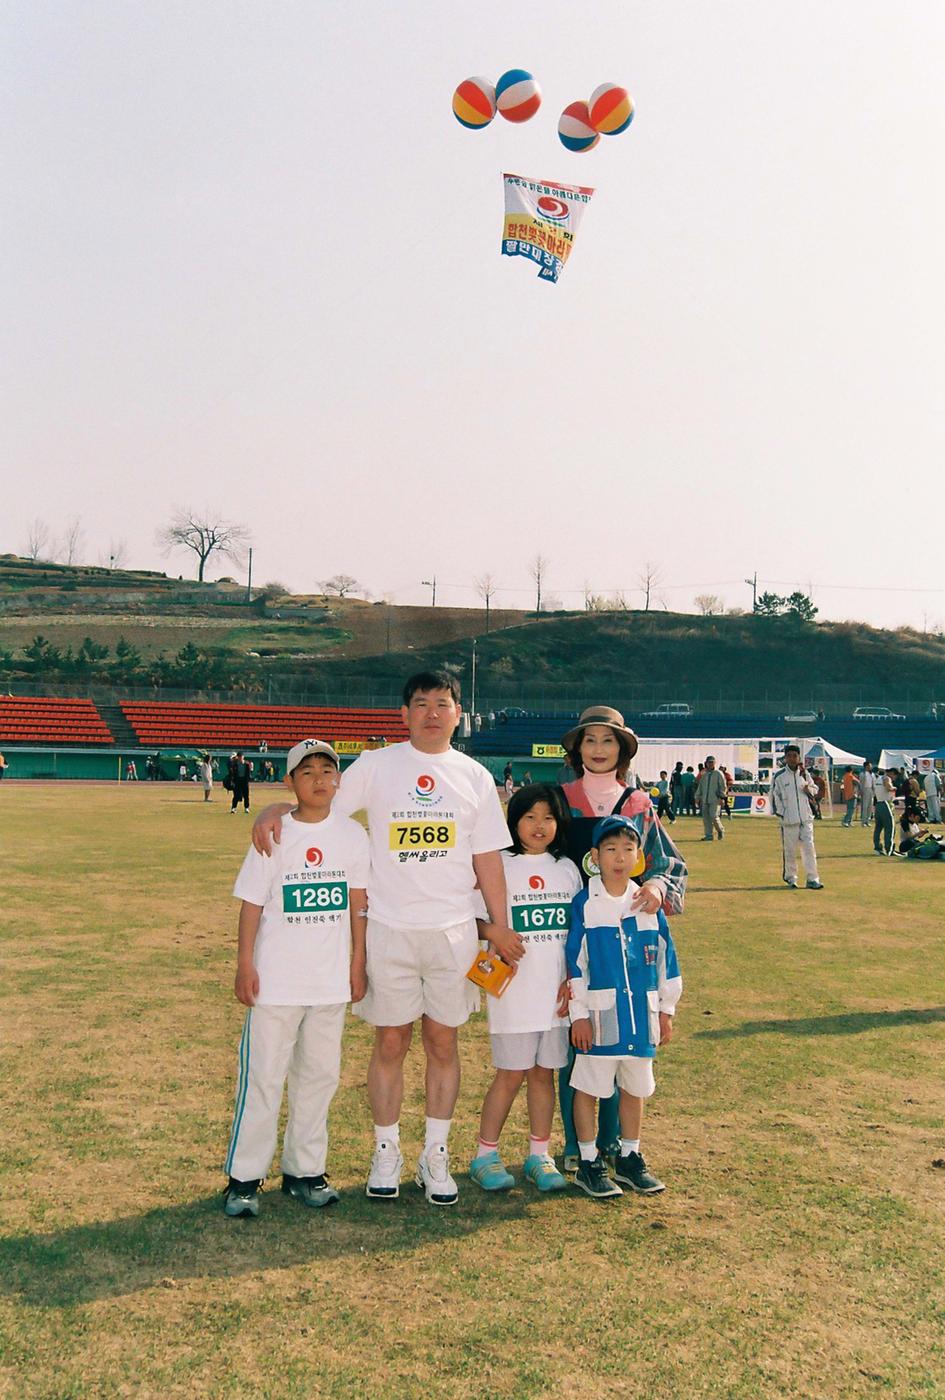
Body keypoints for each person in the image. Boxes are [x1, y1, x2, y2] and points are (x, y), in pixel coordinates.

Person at [251, 671, 519, 1206]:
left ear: (458, 713)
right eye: (421, 704)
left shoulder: (473, 776)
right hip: (389, 929)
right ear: (404, 714)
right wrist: (272, 807)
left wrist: (500, 924)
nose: (432, 713)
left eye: (443, 704)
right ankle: (387, 1150)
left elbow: (487, 857)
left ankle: (435, 1154)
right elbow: (318, 801)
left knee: (443, 1043)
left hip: (453, 933)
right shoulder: (376, 766)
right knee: (391, 1041)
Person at [222, 739, 369, 1219]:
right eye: (307, 772)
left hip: (328, 982)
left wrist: (357, 962)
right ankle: (244, 1177)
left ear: (339, 780)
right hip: (276, 983)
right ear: (289, 783)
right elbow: (252, 904)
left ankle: (305, 1171)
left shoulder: (351, 835)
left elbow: (357, 905)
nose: (320, 779)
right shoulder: (274, 833)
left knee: (319, 1078)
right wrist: (246, 964)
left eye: (328, 770)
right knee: (263, 1078)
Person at [556, 705, 686, 1172]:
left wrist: (654, 885)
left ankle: (615, 1144)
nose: (597, 749)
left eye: (607, 741)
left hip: (623, 939)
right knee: (581, 1037)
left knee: (621, 1035)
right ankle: (579, 1146)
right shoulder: (560, 798)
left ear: (622, 749)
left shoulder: (638, 803)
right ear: (577, 748)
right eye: (589, 740)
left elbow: (667, 863)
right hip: (568, 932)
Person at [469, 785, 581, 1194]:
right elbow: (470, 915)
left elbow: (575, 933)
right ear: (513, 820)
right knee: (510, 1074)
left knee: (543, 1075)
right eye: (530, 817)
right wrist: (495, 932)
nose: (539, 826)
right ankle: (485, 1153)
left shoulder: (567, 868)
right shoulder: (496, 864)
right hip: (513, 994)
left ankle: (539, 1154)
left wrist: (573, 980)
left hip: (554, 997)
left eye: (548, 818)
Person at [566, 815, 682, 1199]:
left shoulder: (648, 904)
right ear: (595, 857)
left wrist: (667, 1010)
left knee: (635, 1089)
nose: (619, 857)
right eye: (610, 849)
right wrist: (579, 1015)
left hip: (641, 1020)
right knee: (589, 1088)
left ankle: (629, 1157)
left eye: (628, 849)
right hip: (600, 1021)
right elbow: (576, 964)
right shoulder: (586, 903)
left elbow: (667, 960)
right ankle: (588, 1161)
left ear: (638, 857)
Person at [769, 745, 823, 889]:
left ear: (799, 757)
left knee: (809, 849)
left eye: (795, 756)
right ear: (785, 758)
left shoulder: (805, 774)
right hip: (789, 820)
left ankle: (812, 878)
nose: (792, 758)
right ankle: (791, 878)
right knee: (790, 851)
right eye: (789, 756)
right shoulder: (779, 776)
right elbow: (774, 797)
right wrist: (782, 814)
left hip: (806, 818)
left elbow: (814, 789)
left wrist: (808, 789)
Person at [695, 756, 727, 841]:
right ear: (706, 763)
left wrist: (722, 797)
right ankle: (709, 835)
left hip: (715, 799)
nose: (710, 764)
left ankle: (720, 830)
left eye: (712, 762)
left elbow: (723, 786)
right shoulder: (704, 774)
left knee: (713, 816)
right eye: (709, 762)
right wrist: (697, 797)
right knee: (706, 818)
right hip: (705, 799)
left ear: (715, 763)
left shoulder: (718, 773)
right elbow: (700, 787)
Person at [873, 769, 896, 855]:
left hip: (878, 803)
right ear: (892, 773)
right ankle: (889, 849)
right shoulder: (887, 778)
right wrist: (894, 788)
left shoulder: (878, 778)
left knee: (878, 828)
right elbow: (888, 787)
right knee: (890, 827)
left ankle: (877, 848)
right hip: (885, 804)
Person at [859, 760, 875, 826]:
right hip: (865, 790)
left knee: (870, 806)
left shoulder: (872, 774)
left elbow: (873, 783)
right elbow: (861, 783)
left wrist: (874, 791)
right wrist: (861, 791)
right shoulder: (862, 774)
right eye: (869, 766)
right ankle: (863, 821)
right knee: (865, 806)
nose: (870, 767)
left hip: (871, 789)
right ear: (866, 766)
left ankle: (868, 820)